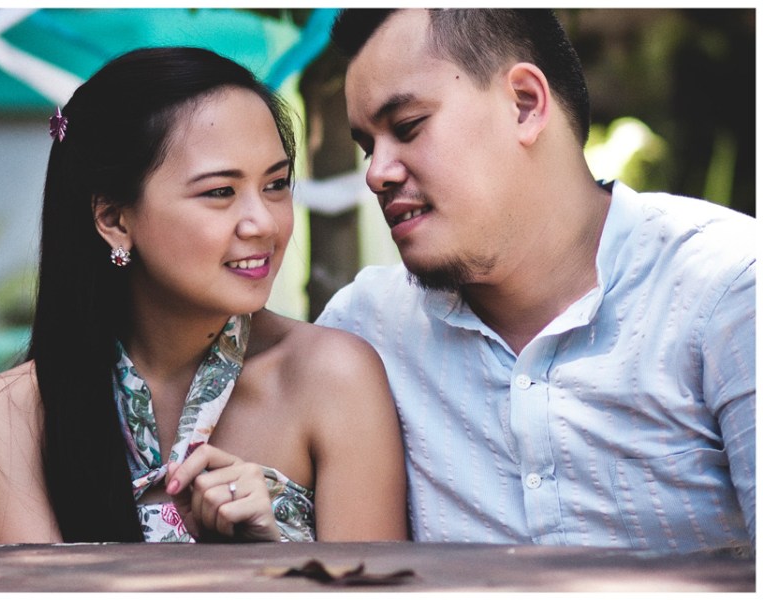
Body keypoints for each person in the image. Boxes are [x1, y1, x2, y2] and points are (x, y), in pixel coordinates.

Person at [318, 8, 755, 552]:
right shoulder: (361, 332)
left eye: (407, 127)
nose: (376, 172)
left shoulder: (728, 286)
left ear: (524, 104)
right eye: (367, 146)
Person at [0, 47, 406, 544]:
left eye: (276, 184)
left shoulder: (332, 378)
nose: (263, 222)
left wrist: (267, 553)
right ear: (113, 219)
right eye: (220, 191)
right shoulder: (13, 414)